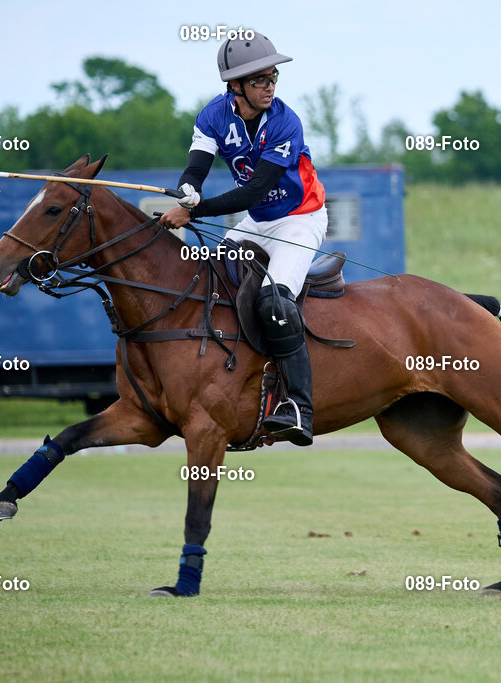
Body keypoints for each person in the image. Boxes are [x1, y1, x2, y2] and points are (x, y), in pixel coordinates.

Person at [159, 32, 326, 446]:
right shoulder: (212, 116)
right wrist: (188, 190)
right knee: (209, 279)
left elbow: (255, 190)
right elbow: (195, 167)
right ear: (234, 86)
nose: (269, 86)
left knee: (275, 301)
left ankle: (299, 409)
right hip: (256, 222)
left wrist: (193, 211)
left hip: (298, 220)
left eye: (273, 78)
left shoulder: (286, 121)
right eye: (259, 80)